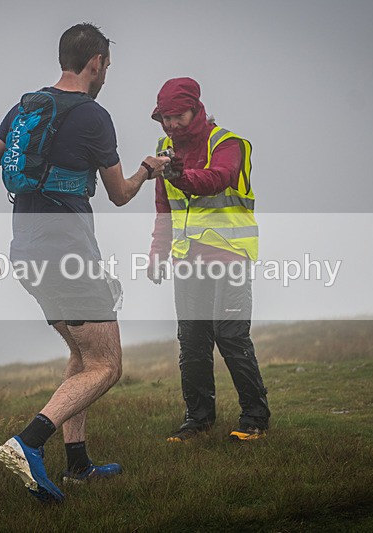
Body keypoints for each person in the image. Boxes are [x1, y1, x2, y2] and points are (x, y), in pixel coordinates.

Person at [0, 23, 169, 503]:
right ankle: (28, 443)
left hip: (25, 250)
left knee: (81, 355)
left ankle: (78, 465)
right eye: (107, 68)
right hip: (70, 253)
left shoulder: (26, 108)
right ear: (95, 61)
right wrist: (147, 169)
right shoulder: (93, 115)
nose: (105, 77)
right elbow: (119, 194)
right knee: (107, 365)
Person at [147, 77, 270, 442]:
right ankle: (198, 421)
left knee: (231, 335)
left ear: (195, 109)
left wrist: (181, 175)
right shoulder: (163, 149)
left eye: (177, 116)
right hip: (187, 259)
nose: (171, 125)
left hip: (229, 254)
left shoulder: (229, 144)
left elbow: (220, 178)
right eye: (164, 118)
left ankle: (255, 419)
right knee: (192, 341)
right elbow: (164, 206)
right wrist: (158, 252)